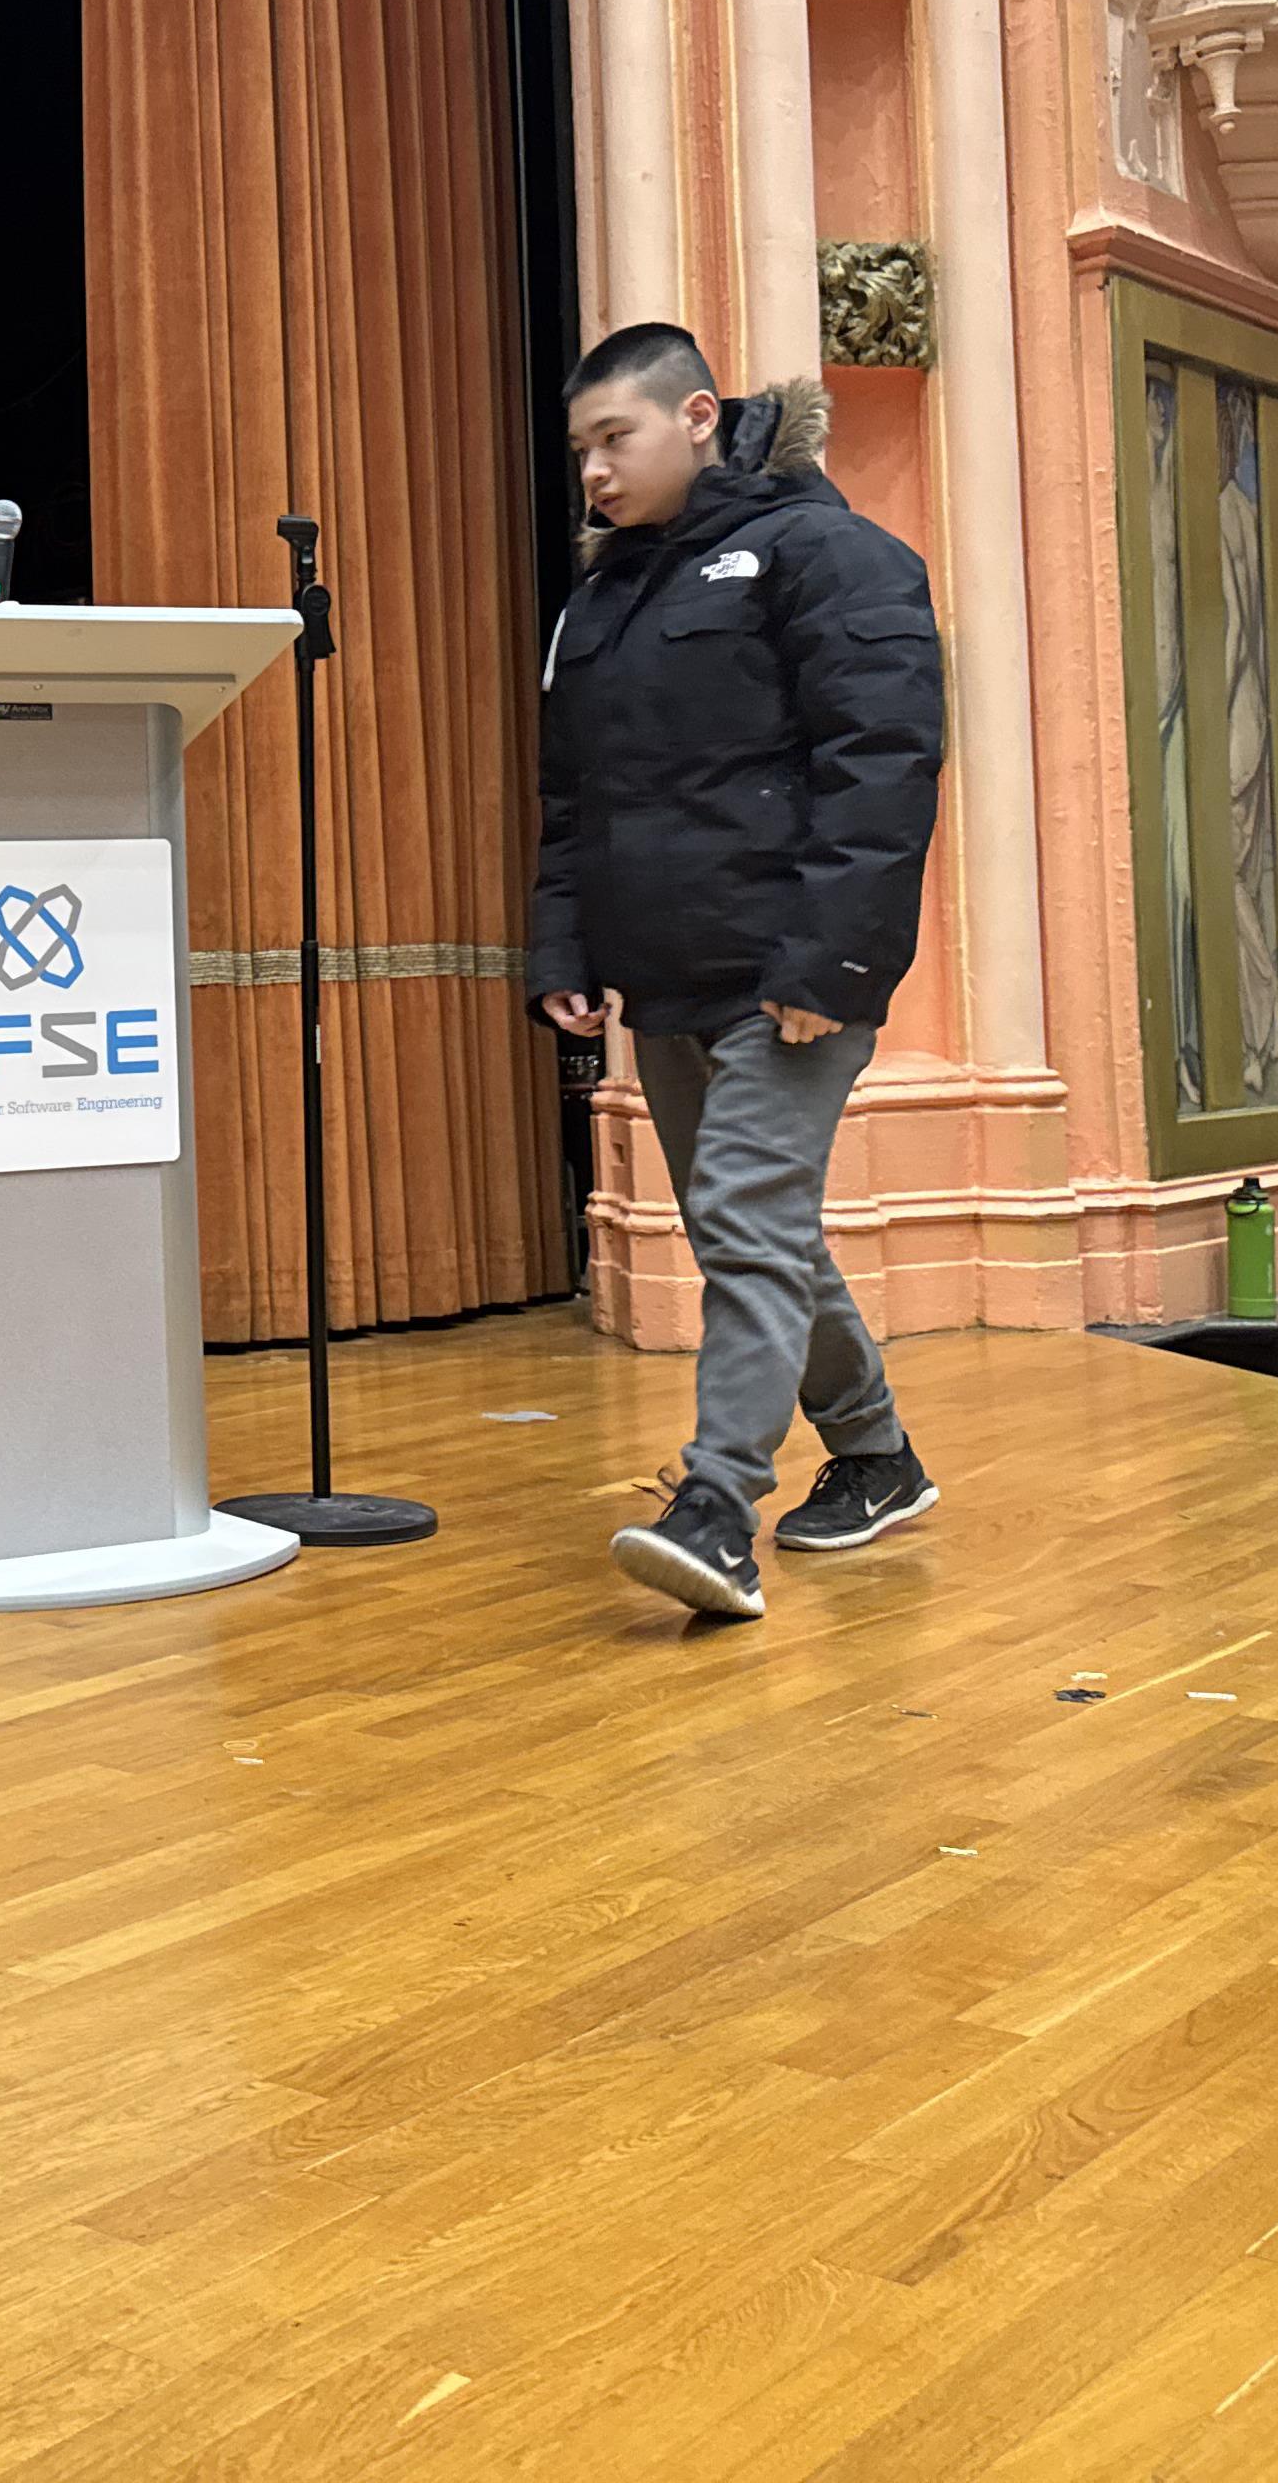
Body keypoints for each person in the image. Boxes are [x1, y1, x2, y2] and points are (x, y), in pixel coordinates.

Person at [530, 323, 947, 1621]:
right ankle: (875, 1455)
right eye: (582, 449)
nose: (594, 472)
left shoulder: (828, 555)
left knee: (748, 1222)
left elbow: (883, 760)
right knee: (744, 1224)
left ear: (700, 415)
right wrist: (569, 949)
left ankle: (717, 1504)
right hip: (667, 976)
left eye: (619, 439)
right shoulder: (601, 599)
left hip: (793, 971)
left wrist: (832, 959)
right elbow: (572, 798)